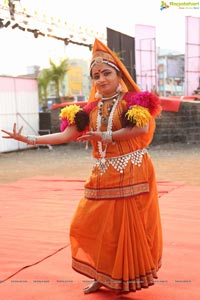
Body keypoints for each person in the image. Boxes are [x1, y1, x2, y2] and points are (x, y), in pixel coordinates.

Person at [1, 38, 163, 295]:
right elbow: (66, 136)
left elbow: (140, 128)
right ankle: (101, 274)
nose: (101, 79)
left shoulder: (134, 99)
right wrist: (30, 139)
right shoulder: (88, 109)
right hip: (103, 173)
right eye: (96, 75)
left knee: (125, 228)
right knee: (90, 224)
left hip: (132, 168)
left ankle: (125, 278)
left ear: (119, 74)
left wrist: (105, 137)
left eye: (106, 73)